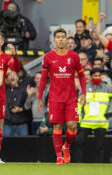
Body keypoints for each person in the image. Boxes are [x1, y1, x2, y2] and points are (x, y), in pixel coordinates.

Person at [37, 28, 87, 165]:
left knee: (72, 126)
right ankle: (59, 156)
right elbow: (42, 79)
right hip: (55, 98)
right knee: (57, 127)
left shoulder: (74, 56)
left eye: (63, 37)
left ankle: (66, 147)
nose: (60, 39)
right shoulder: (48, 57)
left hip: (71, 98)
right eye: (58, 37)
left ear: (67, 39)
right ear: (54, 40)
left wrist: (83, 93)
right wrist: (40, 98)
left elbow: (82, 75)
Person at [0, 31, 21, 163]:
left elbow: (17, 69)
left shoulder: (6, 58)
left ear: (2, 42)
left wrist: (14, 53)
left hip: (0, 97)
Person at [76, 68, 112, 163]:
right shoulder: (84, 89)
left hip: (101, 122)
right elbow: (79, 105)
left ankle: (99, 165)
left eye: (99, 76)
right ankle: (78, 163)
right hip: (86, 122)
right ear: (91, 77)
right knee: (79, 141)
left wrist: (109, 113)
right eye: (95, 76)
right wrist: (78, 119)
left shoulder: (107, 88)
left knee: (100, 146)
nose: (98, 77)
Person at [3, 71, 29, 136]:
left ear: (17, 78)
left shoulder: (23, 90)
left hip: (21, 124)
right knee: (7, 144)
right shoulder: (4, 89)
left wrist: (20, 109)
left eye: (14, 75)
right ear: (8, 79)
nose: (12, 76)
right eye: (10, 75)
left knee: (24, 145)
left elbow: (28, 106)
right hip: (7, 124)